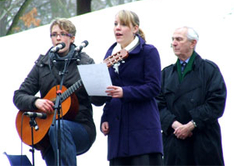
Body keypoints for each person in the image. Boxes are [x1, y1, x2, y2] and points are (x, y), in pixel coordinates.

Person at [13, 18, 102, 166]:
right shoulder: (43, 64)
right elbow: (18, 96)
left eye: (62, 34)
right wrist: (35, 101)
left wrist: (95, 82)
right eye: (54, 34)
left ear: (72, 38)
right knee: (54, 130)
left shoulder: (85, 62)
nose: (58, 38)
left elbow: (99, 101)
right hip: (48, 131)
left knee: (59, 127)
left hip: (81, 127)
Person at [101, 10, 163, 166]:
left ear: (135, 28)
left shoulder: (148, 52)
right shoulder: (110, 54)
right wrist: (105, 117)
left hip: (142, 131)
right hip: (118, 133)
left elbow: (154, 87)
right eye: (115, 24)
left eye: (123, 24)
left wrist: (125, 92)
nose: (117, 28)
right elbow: (110, 92)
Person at [157, 26, 227, 165]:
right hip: (174, 142)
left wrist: (192, 124)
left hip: (203, 141)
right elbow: (157, 104)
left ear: (192, 43)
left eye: (179, 39)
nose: (174, 43)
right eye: (173, 40)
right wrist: (175, 125)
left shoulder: (209, 70)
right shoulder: (165, 74)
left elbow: (216, 103)